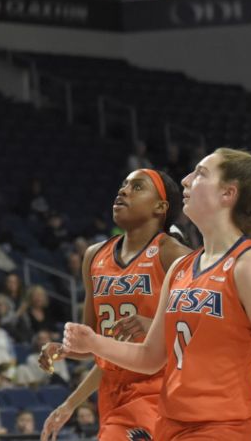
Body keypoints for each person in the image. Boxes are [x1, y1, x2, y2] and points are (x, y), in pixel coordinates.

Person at [61, 148, 251, 441]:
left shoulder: (248, 265)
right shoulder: (181, 268)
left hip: (222, 428)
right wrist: (94, 342)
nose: (184, 180)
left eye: (200, 174)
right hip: (170, 425)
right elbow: (150, 357)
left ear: (227, 194)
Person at [37, 169, 191, 441]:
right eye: (123, 185)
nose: (123, 191)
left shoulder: (173, 254)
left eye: (138, 187)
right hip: (112, 395)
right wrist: (66, 353)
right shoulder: (94, 256)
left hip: (159, 391)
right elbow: (98, 344)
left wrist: (157, 328)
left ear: (160, 207)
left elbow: (198, 331)